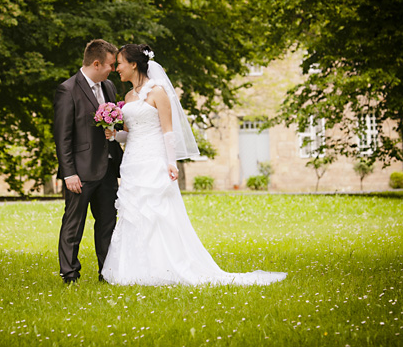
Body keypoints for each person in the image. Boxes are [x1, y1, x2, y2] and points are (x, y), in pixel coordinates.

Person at [101, 44, 286, 286]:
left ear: (134, 64)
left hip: (154, 160)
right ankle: (133, 270)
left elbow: (168, 132)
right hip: (133, 162)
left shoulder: (158, 92)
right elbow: (132, 133)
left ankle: (164, 267)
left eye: (120, 63)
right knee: (133, 213)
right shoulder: (127, 98)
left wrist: (171, 162)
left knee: (158, 213)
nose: (117, 69)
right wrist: (114, 135)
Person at [53, 39, 123, 284]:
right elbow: (62, 137)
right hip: (80, 173)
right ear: (96, 63)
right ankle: (70, 274)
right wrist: (68, 173)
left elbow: (113, 125)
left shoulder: (110, 87)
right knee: (74, 224)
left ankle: (108, 273)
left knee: (107, 225)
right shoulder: (68, 89)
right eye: (111, 65)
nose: (113, 69)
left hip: (107, 169)